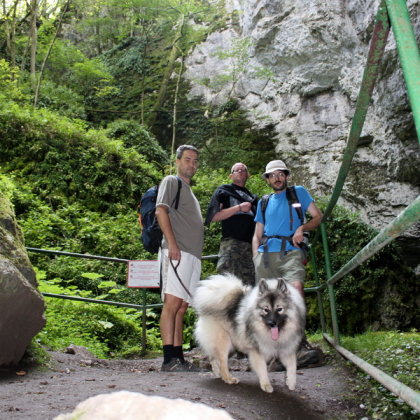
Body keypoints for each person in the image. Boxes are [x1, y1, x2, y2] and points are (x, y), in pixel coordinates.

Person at [252, 159, 323, 368]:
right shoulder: (263, 202)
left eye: (280, 174)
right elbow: (257, 233)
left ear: (286, 175)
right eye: (272, 175)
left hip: (290, 251)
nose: (277, 178)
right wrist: (255, 254)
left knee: (295, 290)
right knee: (267, 305)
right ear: (267, 179)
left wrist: (302, 228)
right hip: (265, 257)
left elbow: (318, 216)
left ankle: (298, 344)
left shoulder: (298, 193)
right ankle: (275, 352)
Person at [155, 145, 204, 372]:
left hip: (192, 256)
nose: (191, 164)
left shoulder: (189, 190)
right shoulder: (171, 182)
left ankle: (178, 358)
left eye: (194, 161)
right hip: (177, 252)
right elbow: (160, 211)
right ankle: (168, 360)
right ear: (177, 161)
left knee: (182, 307)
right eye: (187, 160)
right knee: (172, 304)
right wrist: (172, 244)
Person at [205, 163, 258, 285]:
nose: (240, 171)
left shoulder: (253, 198)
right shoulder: (224, 190)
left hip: (251, 246)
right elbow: (213, 216)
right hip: (231, 243)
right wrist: (239, 207)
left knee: (250, 285)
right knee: (229, 283)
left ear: (248, 175)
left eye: (243, 170)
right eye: (236, 170)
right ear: (231, 175)